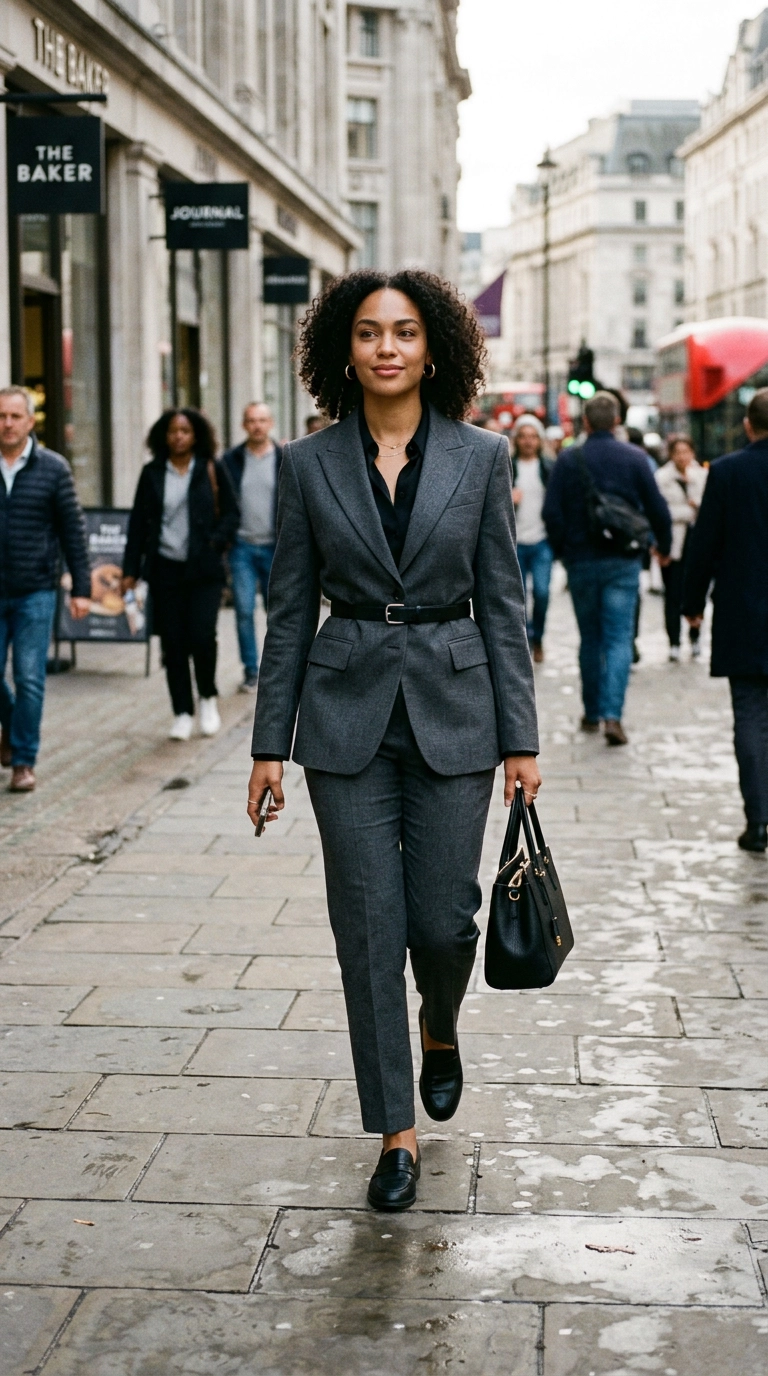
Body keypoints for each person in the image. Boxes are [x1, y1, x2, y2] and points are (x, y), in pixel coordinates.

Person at [246, 269, 540, 1212]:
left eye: (405, 332)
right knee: (368, 929)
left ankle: (439, 1025)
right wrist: (268, 744)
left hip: (457, 709)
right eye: (370, 332)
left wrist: (523, 741)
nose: (387, 347)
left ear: (433, 349)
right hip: (344, 720)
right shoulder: (307, 464)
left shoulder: (482, 457)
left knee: (444, 921)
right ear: (345, 348)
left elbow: (504, 604)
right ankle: (394, 1132)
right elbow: (290, 611)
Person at [543, 391, 672, 745]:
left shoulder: (568, 460)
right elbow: (658, 509)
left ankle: (591, 711)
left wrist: (563, 551)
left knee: (590, 638)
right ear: (616, 421)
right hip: (622, 560)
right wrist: (663, 547)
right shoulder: (635, 458)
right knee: (618, 638)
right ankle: (613, 715)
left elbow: (551, 512)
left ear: (585, 422)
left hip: (581, 560)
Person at [683, 388, 768, 853]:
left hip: (745, 614)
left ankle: (758, 820)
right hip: (746, 614)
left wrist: (692, 602)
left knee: (750, 717)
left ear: (748, 425)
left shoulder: (728, 472)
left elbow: (705, 544)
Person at [123, 408, 238, 740]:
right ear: (164, 435)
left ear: (196, 435)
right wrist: (130, 571)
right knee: (172, 644)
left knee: (202, 637)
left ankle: (208, 697)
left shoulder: (211, 468)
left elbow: (232, 513)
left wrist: (215, 543)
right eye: (173, 431)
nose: (178, 437)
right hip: (165, 570)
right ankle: (182, 712)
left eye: (185, 431)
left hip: (204, 571)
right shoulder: (152, 472)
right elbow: (137, 524)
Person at [0, 385, 90, 792]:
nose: (7, 424)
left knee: (29, 677)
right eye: (1, 416)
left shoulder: (53, 468)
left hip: (35, 589)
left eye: (15, 416)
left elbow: (73, 531)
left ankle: (23, 761)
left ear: (30, 421)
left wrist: (81, 588)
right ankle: (12, 723)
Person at [222, 403, 283, 692]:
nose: (257, 425)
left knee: (277, 613)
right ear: (244, 425)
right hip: (241, 547)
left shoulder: (285, 458)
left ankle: (277, 670)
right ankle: (251, 671)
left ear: (270, 423)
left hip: (276, 548)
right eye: (251, 420)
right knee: (244, 611)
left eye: (262, 420)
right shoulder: (230, 460)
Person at [655, 436, 707, 662]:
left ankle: (695, 636)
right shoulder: (662, 478)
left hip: (697, 542)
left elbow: (709, 508)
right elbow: (661, 512)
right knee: (673, 594)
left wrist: (694, 508)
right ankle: (674, 641)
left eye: (686, 451)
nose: (682, 457)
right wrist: (689, 511)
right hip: (673, 543)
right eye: (678, 452)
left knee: (696, 591)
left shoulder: (702, 475)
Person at [510, 414, 554, 663]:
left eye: (533, 436)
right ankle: (526, 639)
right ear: (517, 439)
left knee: (542, 592)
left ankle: (539, 637)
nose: (528, 441)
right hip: (515, 541)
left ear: (540, 440)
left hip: (542, 541)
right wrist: (508, 498)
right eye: (523, 436)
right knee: (519, 597)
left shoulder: (548, 467)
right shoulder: (507, 465)